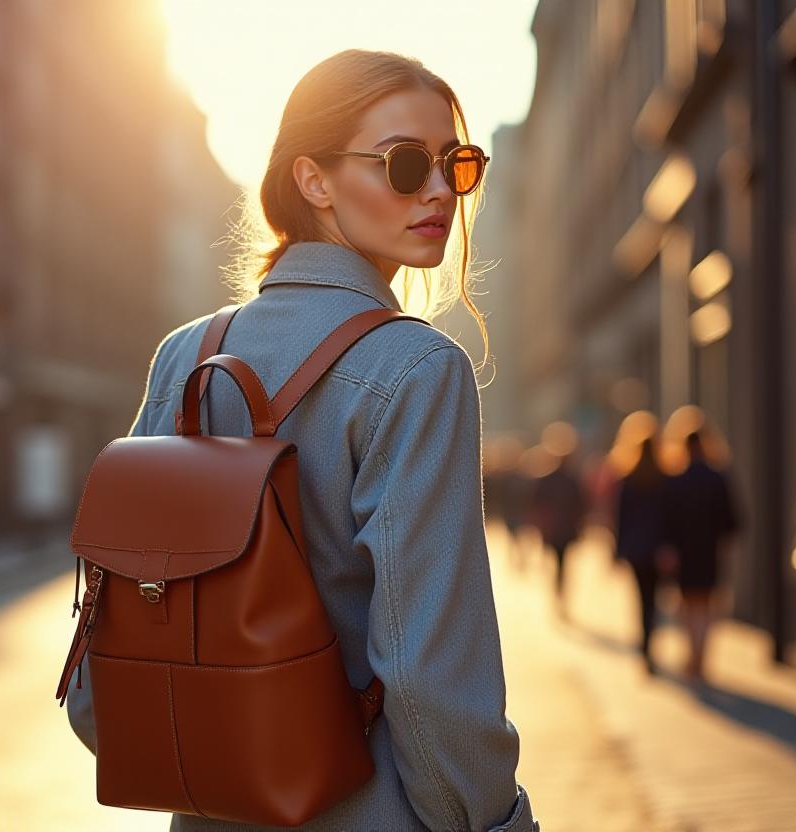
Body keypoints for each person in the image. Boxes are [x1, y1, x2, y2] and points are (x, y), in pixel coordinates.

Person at [65, 49, 539, 831]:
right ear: (314, 180)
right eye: (404, 163)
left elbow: (113, 611)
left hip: (210, 804)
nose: (437, 192)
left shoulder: (185, 354)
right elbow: (428, 672)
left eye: (455, 165)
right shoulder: (419, 367)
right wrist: (489, 819)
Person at [664, 428, 741, 684]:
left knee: (688, 606)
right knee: (706, 607)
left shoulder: (677, 480)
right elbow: (732, 521)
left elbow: (668, 522)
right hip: (710, 551)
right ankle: (701, 659)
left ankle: (692, 656)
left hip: (684, 553)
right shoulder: (717, 478)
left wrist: (669, 548)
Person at [613, 434, 674, 675]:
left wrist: (618, 550)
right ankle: (650, 644)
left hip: (636, 549)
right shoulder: (665, 480)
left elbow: (621, 518)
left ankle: (645, 644)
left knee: (641, 599)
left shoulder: (629, 479)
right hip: (658, 551)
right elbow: (670, 519)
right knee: (655, 600)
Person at [529, 449, 587, 619]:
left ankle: (557, 591)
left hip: (553, 529)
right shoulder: (572, 481)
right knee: (563, 563)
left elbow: (537, 503)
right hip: (565, 529)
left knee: (558, 562)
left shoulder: (548, 480)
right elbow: (581, 506)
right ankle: (560, 591)